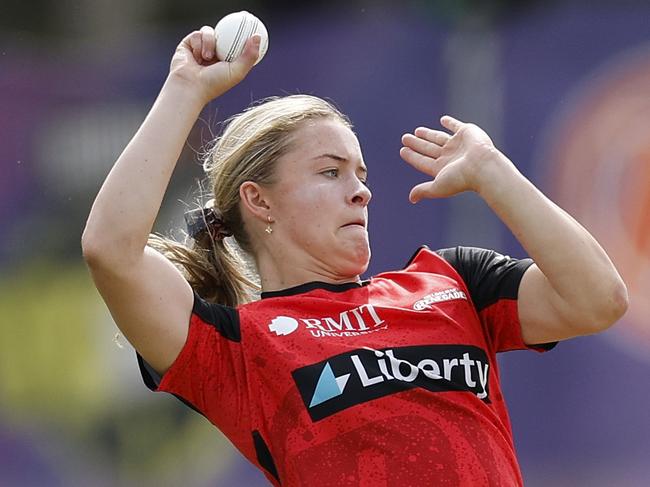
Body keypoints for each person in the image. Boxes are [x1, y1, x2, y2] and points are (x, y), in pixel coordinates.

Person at [82, 26, 628, 487]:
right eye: (330, 172)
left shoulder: (451, 280)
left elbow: (598, 300)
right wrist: (185, 88)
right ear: (258, 200)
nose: (361, 191)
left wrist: (495, 172)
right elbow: (111, 251)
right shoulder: (236, 348)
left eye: (361, 175)